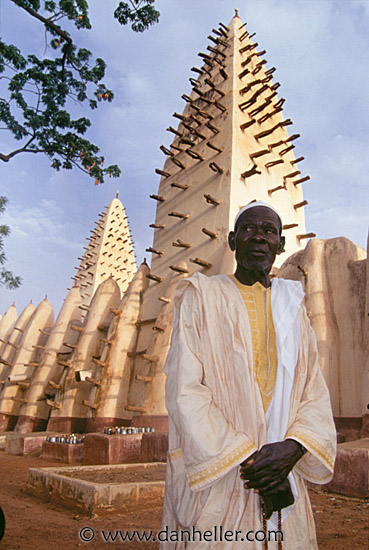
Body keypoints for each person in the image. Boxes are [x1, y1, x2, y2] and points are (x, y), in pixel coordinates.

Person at [161, 201, 336, 549]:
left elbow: (312, 388)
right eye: (249, 229)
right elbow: (185, 389)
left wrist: (294, 447)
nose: (259, 238)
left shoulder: (293, 306)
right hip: (222, 469)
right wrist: (255, 466)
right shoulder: (201, 297)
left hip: (281, 466)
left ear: (281, 245)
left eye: (269, 231)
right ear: (232, 239)